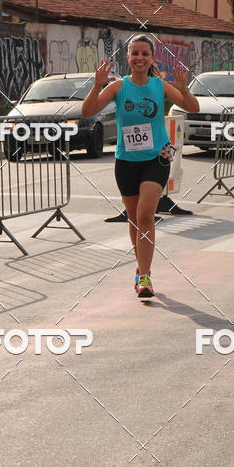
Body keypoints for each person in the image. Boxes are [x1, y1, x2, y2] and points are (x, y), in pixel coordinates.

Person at [82, 34, 200, 298]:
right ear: (128, 57)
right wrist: (97, 85)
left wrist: (184, 89)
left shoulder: (160, 86)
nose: (139, 58)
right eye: (135, 53)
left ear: (151, 58)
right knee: (135, 220)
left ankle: (145, 278)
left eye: (144, 54)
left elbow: (192, 106)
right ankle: (140, 269)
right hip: (126, 162)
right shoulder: (118, 87)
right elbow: (87, 111)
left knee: (146, 215)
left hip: (157, 159)